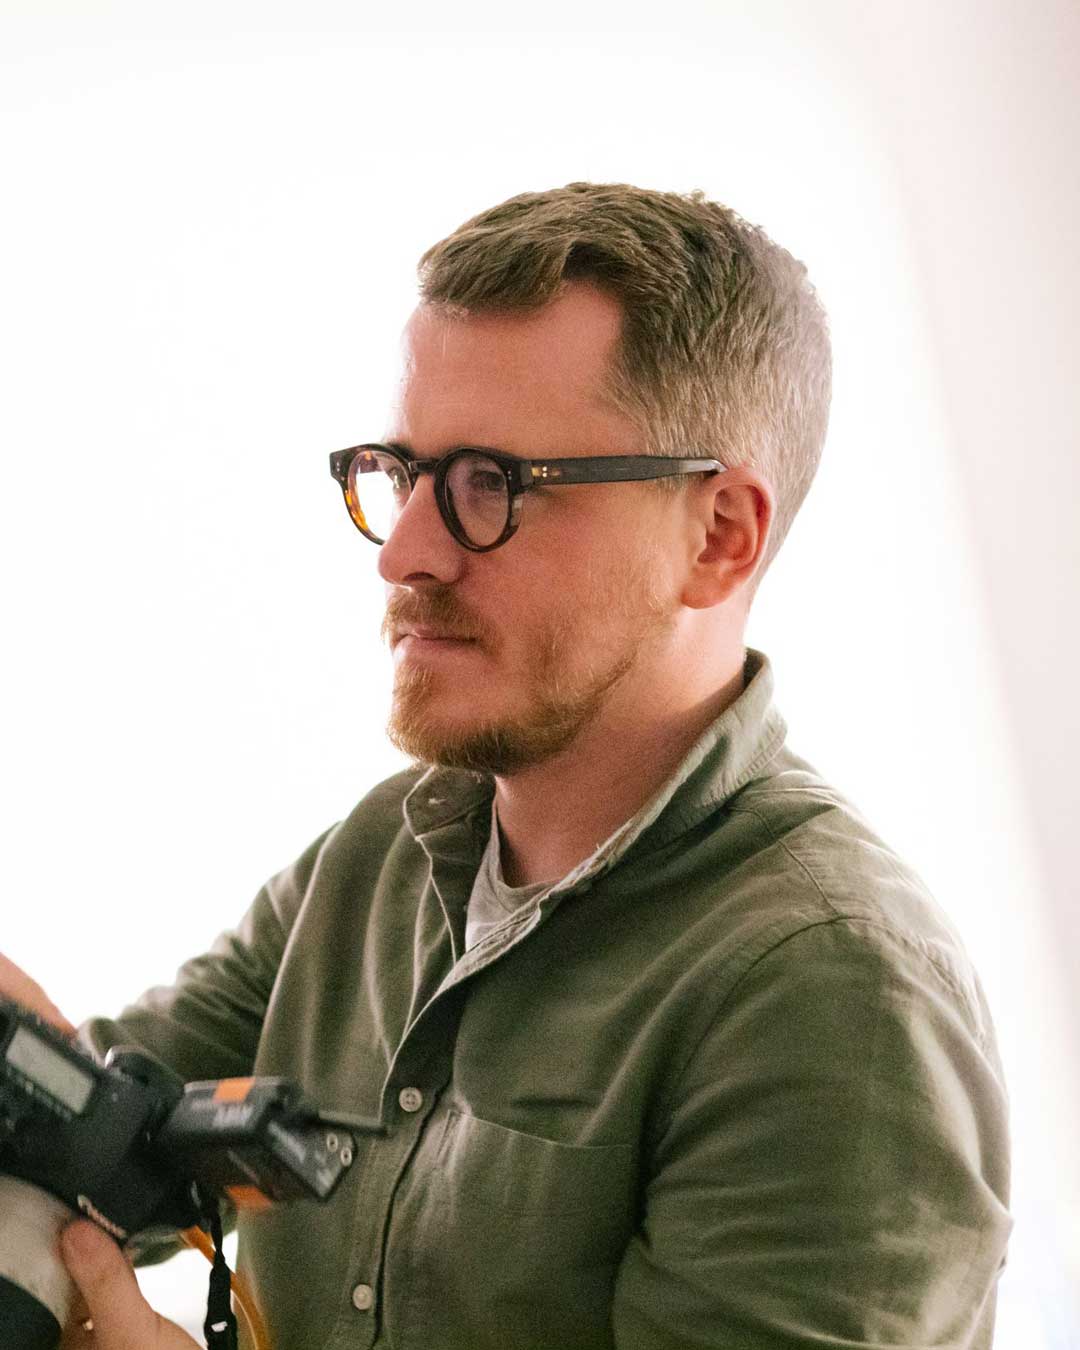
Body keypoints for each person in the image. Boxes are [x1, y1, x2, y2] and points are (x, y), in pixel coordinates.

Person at [5, 183, 1011, 1349]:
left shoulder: (832, 997)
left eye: (495, 485)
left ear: (720, 535)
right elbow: (85, 1133)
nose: (409, 554)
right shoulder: (379, 859)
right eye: (402, 473)